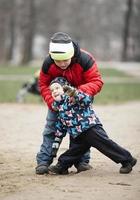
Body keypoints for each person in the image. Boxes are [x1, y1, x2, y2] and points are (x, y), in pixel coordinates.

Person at [36, 32, 104, 174]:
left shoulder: (85, 59)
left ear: (72, 54)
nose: (61, 64)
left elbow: (96, 81)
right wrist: (52, 101)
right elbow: (43, 84)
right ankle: (43, 161)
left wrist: (77, 93)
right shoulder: (48, 63)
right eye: (57, 61)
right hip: (58, 104)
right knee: (50, 130)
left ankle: (82, 162)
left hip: (79, 102)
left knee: (82, 132)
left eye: (65, 60)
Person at [48, 77, 137, 175]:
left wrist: (74, 93)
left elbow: (86, 100)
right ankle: (62, 166)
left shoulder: (73, 97)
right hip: (77, 134)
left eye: (57, 88)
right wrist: (55, 146)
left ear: (65, 89)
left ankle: (128, 160)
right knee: (73, 151)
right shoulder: (59, 107)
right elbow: (60, 127)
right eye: (52, 90)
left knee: (106, 145)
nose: (54, 91)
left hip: (90, 128)